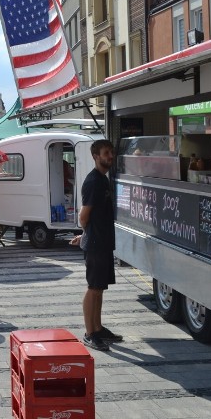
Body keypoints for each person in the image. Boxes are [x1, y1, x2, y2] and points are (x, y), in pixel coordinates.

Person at [69, 139, 121, 352]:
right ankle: (90, 333)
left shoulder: (103, 179)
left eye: (111, 152)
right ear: (95, 156)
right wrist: (87, 234)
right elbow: (84, 216)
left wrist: (86, 235)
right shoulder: (93, 182)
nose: (110, 156)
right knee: (93, 288)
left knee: (99, 289)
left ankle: (98, 329)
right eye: (106, 153)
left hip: (103, 242)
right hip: (97, 243)